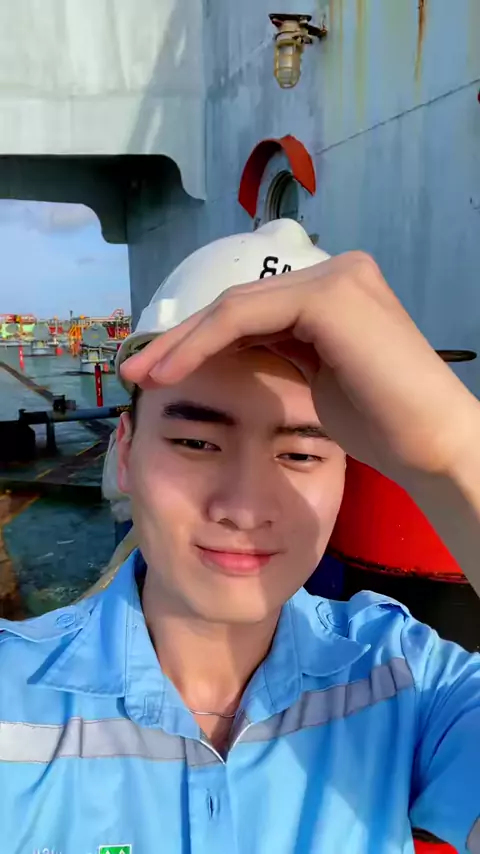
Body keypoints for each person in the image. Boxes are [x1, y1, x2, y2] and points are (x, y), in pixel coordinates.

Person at [1, 219, 479, 854]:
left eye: (301, 454)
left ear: (347, 473)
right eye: (196, 443)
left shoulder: (408, 681)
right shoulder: (13, 702)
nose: (245, 508)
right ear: (125, 452)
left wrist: (455, 448)